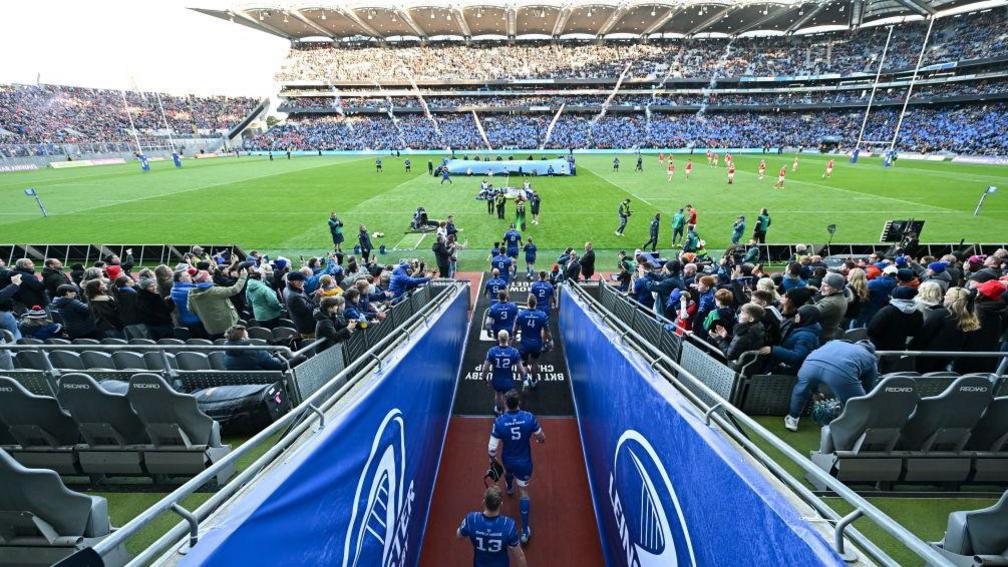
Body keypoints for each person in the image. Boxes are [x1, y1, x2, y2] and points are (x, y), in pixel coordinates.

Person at [488, 390, 545, 544]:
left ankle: (509, 486)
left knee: (508, 471)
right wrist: (539, 440)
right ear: (518, 403)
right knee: (524, 493)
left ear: (505, 404)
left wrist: (492, 460)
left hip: (508, 459)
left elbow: (492, 449)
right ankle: (525, 531)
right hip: (525, 463)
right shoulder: (529, 418)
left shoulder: (499, 422)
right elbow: (541, 437)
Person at [785, 340, 879, 432]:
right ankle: (851, 430)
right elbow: (869, 386)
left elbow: (822, 361)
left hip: (810, 364)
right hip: (840, 373)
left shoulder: (835, 342)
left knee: (801, 390)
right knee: (858, 404)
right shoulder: (870, 357)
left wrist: (815, 391)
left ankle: (792, 418)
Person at [457, 486, 528, 567]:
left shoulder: (472, 519)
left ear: (483, 502)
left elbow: (459, 535)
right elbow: (520, 556)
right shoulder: (509, 525)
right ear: (501, 504)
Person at [759, 304, 822, 375]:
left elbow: (798, 356)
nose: (796, 315)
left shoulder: (806, 336)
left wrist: (774, 350)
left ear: (806, 318)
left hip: (789, 371)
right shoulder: (803, 328)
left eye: (799, 314)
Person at [187, 269, 249, 339]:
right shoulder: (215, 291)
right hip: (228, 327)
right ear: (206, 280)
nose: (211, 277)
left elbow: (191, 310)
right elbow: (235, 290)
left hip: (211, 328)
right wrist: (243, 276)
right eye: (208, 276)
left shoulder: (191, 294)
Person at [483, 330, 528, 414]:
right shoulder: (514, 352)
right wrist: (524, 380)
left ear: (498, 339)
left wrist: (484, 378)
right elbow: (521, 370)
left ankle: (499, 409)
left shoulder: (492, 351)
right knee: (508, 397)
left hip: (496, 379)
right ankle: (507, 413)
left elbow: (485, 368)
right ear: (508, 339)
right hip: (509, 380)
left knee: (498, 393)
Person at [515, 295, 549, 390]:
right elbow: (547, 331)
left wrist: (513, 337)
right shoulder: (542, 315)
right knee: (534, 362)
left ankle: (525, 380)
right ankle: (534, 380)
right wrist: (549, 341)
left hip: (524, 343)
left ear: (527, 303)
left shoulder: (521, 314)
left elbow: (515, 329)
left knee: (524, 363)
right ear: (536, 303)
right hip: (536, 343)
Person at [815, 272, 851, 341]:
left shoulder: (830, 303)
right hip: (830, 333)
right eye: (821, 285)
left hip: (821, 337)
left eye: (826, 286)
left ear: (836, 289)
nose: (821, 288)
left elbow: (807, 314)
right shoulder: (840, 297)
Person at [283, 271, 316, 338]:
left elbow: (304, 300)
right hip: (308, 328)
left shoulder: (288, 289)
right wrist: (317, 299)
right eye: (302, 281)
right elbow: (308, 310)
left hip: (301, 324)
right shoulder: (295, 297)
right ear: (295, 282)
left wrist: (314, 294)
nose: (304, 283)